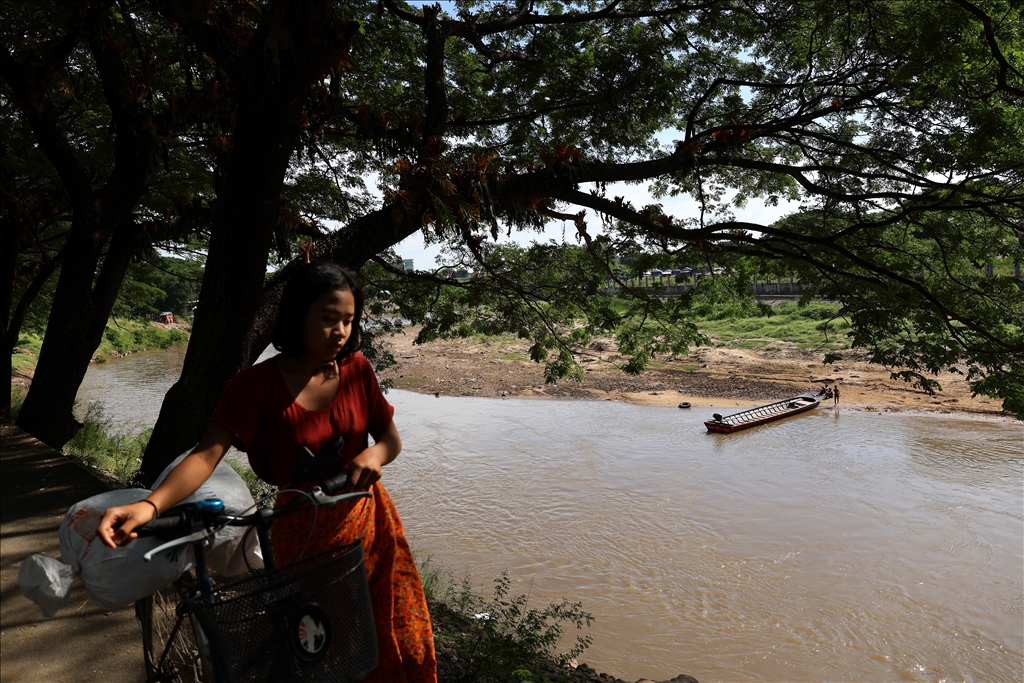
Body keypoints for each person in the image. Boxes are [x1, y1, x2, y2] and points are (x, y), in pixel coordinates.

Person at [97, 262, 437, 683]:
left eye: (349, 321)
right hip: (300, 530)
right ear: (297, 316)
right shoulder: (255, 386)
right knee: (324, 649)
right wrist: (150, 506)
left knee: (395, 633)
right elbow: (206, 456)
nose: (341, 332)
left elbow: (389, 438)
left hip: (369, 523)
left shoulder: (357, 371)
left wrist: (374, 456)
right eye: (329, 319)